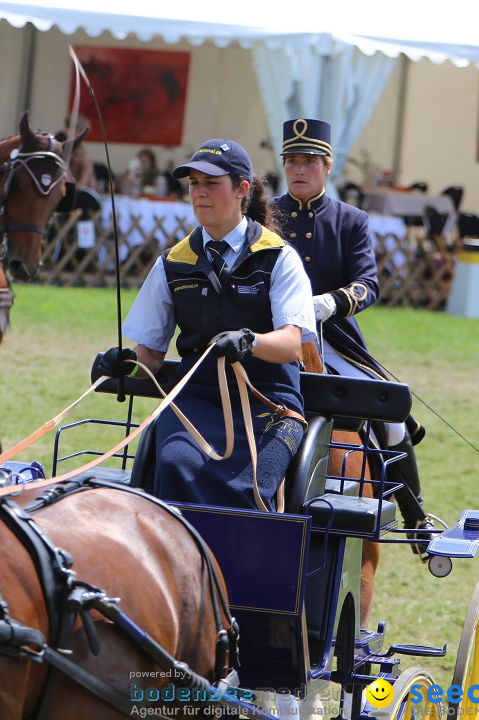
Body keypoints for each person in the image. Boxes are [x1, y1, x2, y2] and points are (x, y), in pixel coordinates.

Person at [95, 139, 315, 511]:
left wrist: (250, 342)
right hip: (193, 403)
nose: (199, 193)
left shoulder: (279, 257)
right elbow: (149, 355)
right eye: (194, 183)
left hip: (269, 406)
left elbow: (292, 344)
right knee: (173, 465)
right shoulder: (172, 263)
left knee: (250, 486)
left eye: (211, 183)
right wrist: (123, 362)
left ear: (242, 190)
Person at [273, 117, 434, 550]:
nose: (299, 170)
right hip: (276, 335)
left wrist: (331, 302)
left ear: (328, 167)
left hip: (335, 339)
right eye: (292, 161)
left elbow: (369, 283)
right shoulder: (266, 215)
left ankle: (415, 515)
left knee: (392, 414)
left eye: (309, 161)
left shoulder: (351, 220)